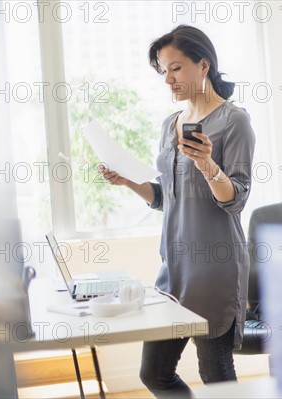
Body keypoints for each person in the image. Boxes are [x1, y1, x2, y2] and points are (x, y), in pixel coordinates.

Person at [99, 25, 255, 397]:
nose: (168, 79)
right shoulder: (171, 125)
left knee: (216, 376)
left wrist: (207, 166)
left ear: (203, 65)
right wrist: (128, 181)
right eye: (163, 71)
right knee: (154, 372)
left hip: (216, 270)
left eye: (176, 68)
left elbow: (235, 198)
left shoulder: (234, 121)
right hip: (173, 270)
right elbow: (166, 196)